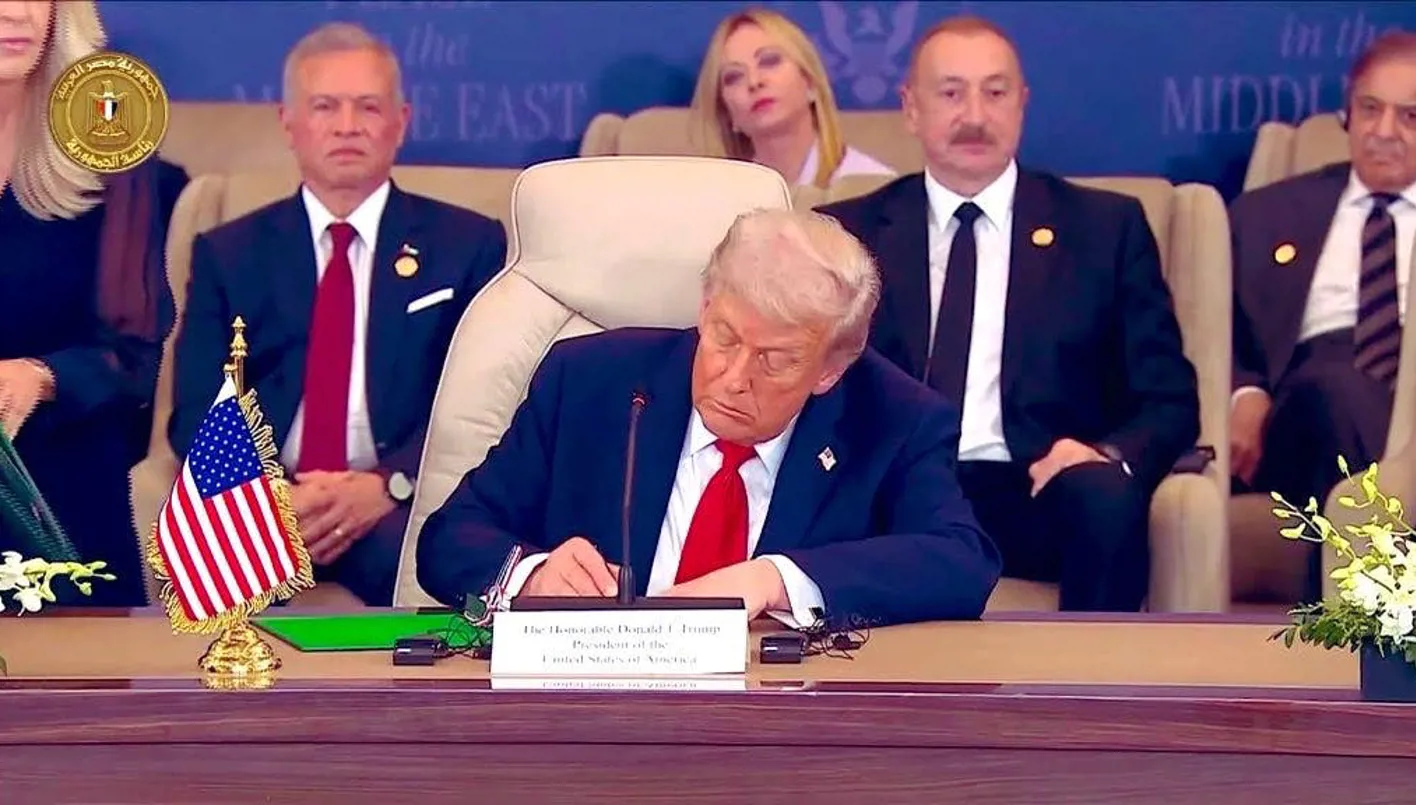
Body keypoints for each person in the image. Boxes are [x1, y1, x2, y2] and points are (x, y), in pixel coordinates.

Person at [417, 208, 1001, 629]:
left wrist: (773, 580)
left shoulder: (894, 418)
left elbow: (963, 562)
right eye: (723, 336)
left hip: (780, 723)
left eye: (775, 360)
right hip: (591, 707)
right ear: (704, 307)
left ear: (830, 370)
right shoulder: (590, 381)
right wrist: (533, 576)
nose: (734, 376)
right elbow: (449, 539)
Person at [818, 16, 1199, 612]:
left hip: (1037, 483)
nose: (974, 115)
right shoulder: (849, 232)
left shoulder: (1104, 228)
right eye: (951, 93)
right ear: (910, 108)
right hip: (895, 487)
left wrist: (1106, 455)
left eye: (994, 93)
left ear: (1022, 103)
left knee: (1103, 495)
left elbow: (1169, 398)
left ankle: (1098, 673)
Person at [169, 22, 508, 606]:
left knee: (441, 566)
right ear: (289, 123)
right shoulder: (229, 253)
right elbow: (197, 410)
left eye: (368, 107)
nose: (347, 126)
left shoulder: (467, 245)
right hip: (268, 502)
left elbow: (481, 402)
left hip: (398, 502)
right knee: (216, 579)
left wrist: (389, 485)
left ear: (400, 122)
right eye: (325, 106)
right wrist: (271, 498)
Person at [0, 0, 188, 605]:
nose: (18, 12)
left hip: (60, 488)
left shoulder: (105, 133)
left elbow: (135, 355)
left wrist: (40, 377)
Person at [1230, 31, 1416, 526]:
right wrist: (1244, 394)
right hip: (1307, 407)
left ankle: (1368, 575)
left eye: (1410, 117)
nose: (1384, 131)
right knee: (1338, 388)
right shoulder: (1266, 214)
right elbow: (1211, 328)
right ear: (1348, 114)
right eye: (1370, 109)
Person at [689, 7, 896, 189]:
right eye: (734, 76)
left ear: (810, 82)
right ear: (728, 115)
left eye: (769, 61)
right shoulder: (720, 200)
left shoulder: (874, 186)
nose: (754, 81)